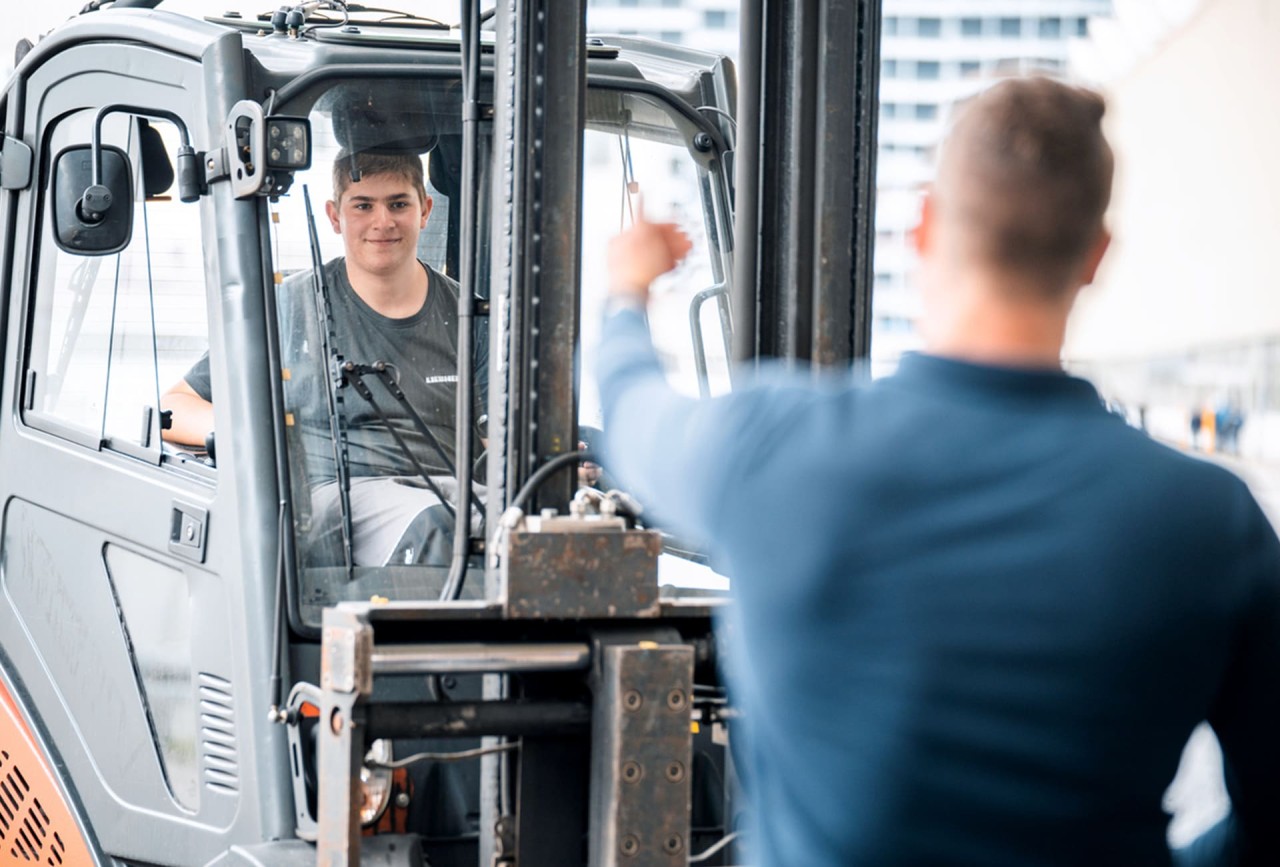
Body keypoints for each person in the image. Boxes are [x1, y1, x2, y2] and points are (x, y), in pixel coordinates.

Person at [596, 77, 1280, 865]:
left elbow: (630, 408)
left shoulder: (773, 448)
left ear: (925, 225)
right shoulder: (1211, 523)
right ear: (1095, 257)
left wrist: (627, 290)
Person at [163, 151, 486, 566]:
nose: (382, 222)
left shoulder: (471, 316)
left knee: (516, 527)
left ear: (425, 210)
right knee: (441, 529)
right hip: (336, 498)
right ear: (335, 217)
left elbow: (497, 442)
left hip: (447, 490)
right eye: (363, 205)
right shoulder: (291, 307)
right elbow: (175, 405)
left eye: (398, 204)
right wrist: (257, 435)